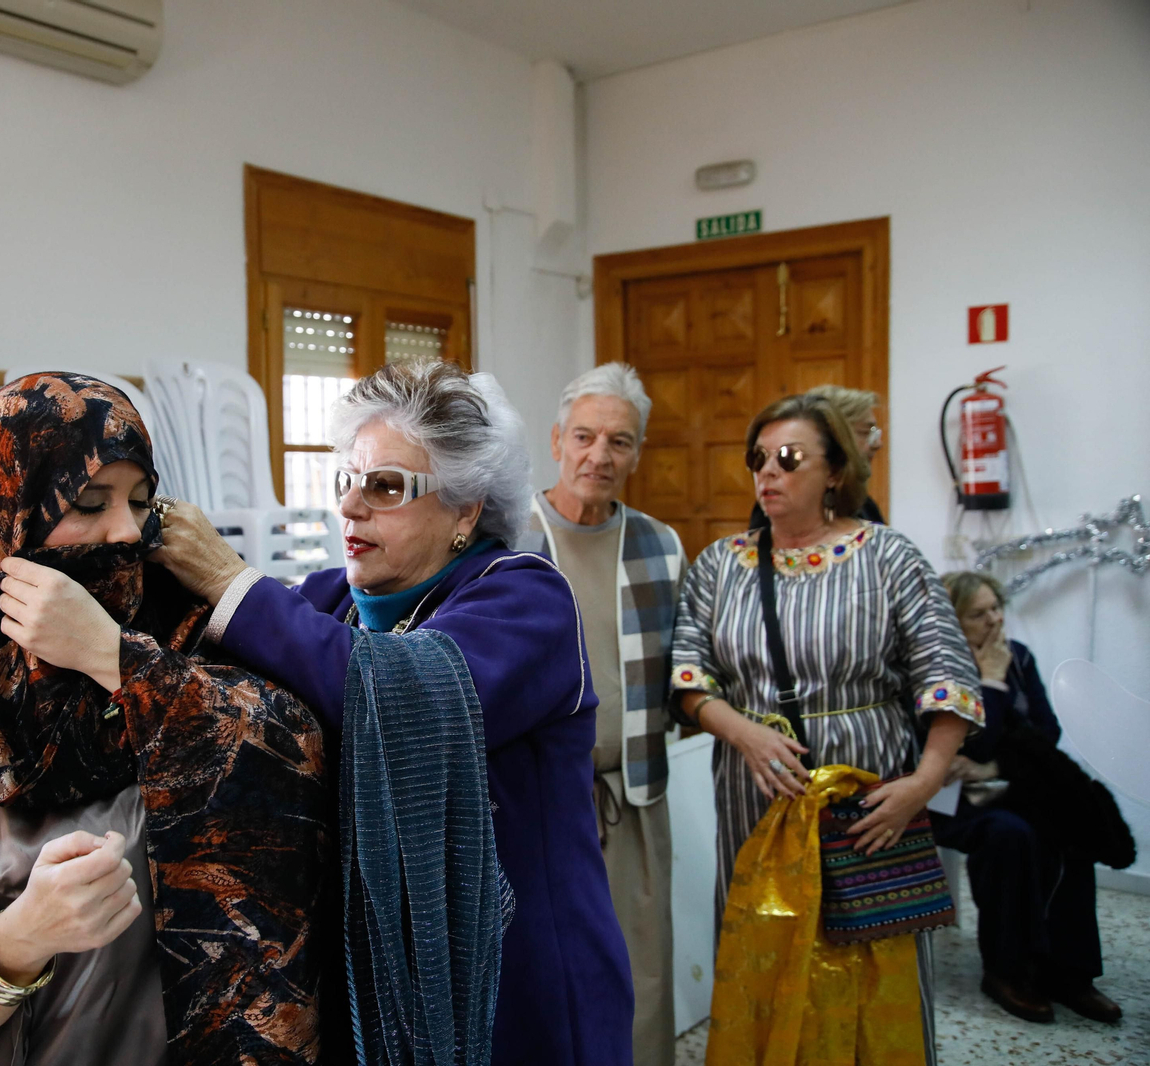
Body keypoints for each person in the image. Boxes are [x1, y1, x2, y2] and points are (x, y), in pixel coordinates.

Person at [0, 373, 333, 1066]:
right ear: (12, 515)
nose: (126, 533)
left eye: (140, 502)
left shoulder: (189, 648)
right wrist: (19, 939)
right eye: (87, 502)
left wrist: (116, 659)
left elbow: (290, 746)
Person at [155, 360, 635, 1066]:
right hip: (392, 984)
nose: (350, 507)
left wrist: (231, 580)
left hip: (526, 984)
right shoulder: (337, 602)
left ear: (467, 510)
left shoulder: (527, 599)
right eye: (346, 481)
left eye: (386, 487)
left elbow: (404, 693)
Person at [670, 394, 982, 1064]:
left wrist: (921, 785)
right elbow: (689, 677)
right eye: (758, 460)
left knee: (869, 958)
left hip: (871, 808)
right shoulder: (722, 564)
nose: (768, 474)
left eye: (788, 459)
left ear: (836, 470)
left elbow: (948, 676)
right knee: (770, 958)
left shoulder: (888, 557)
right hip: (756, 803)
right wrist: (744, 733)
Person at [519, 363, 685, 1066]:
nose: (600, 456)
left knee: (642, 968)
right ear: (556, 440)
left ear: (638, 454)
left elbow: (685, 668)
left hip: (633, 793)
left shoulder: (661, 544)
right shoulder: (511, 539)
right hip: (538, 801)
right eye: (584, 436)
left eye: (620, 441)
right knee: (546, 969)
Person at [934, 571, 1123, 1025]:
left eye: (996, 607)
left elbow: (1047, 732)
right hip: (949, 797)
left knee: (1070, 825)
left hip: (1008, 785)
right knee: (1009, 836)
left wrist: (998, 767)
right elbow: (973, 743)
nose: (995, 620)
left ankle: (1070, 973)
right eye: (979, 615)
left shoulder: (1017, 657)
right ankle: (1006, 970)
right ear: (953, 622)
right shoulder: (939, 668)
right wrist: (992, 684)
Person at [749, 384, 885, 529]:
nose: (877, 444)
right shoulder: (778, 508)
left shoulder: (867, 508)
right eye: (866, 432)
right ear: (839, 435)